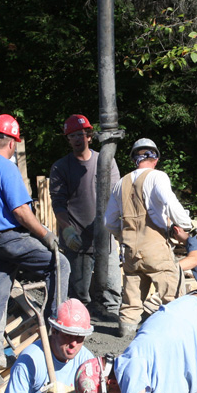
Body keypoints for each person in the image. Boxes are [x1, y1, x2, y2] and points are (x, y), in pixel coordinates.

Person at [0, 114, 71, 368]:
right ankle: (56, 334)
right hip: (10, 238)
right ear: (12, 142)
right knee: (60, 264)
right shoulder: (5, 167)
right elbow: (21, 211)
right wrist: (45, 234)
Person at [104, 138, 191, 338]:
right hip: (155, 247)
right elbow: (170, 202)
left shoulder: (121, 183)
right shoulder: (157, 177)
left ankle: (126, 329)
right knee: (172, 291)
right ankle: (177, 334)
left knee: (132, 295)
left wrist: (122, 235)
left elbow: (108, 221)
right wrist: (188, 225)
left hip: (130, 250)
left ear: (134, 159)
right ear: (156, 158)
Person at [49, 114, 121, 321]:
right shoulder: (61, 167)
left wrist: (117, 227)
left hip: (105, 235)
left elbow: (116, 195)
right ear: (68, 139)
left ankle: (110, 317)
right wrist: (67, 228)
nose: (77, 139)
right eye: (72, 136)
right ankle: (82, 323)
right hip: (77, 237)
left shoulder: (105, 161)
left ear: (89, 135)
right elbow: (58, 203)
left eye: (80, 134)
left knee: (112, 288)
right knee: (80, 293)